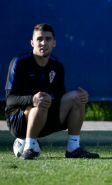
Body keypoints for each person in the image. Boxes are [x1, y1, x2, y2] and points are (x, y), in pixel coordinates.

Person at [5, 23, 99, 160]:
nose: (43, 43)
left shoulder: (57, 66)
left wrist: (83, 97)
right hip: (19, 123)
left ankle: (73, 148)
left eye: (48, 39)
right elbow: (9, 100)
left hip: (46, 117)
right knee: (40, 102)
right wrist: (33, 99)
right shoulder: (19, 63)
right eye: (39, 39)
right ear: (32, 42)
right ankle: (29, 147)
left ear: (54, 43)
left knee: (76, 97)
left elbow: (60, 97)